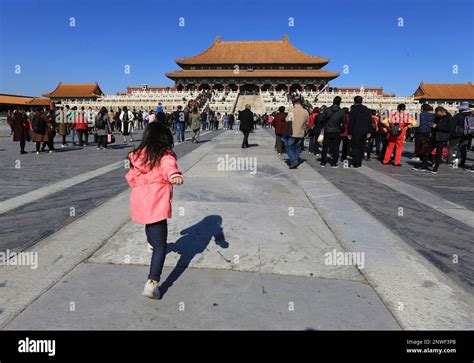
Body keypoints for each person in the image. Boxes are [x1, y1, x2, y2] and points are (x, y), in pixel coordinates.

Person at [125, 122, 183, 299]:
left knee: (150, 227)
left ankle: (150, 242)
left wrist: (141, 186)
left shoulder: (138, 156)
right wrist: (174, 176)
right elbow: (169, 168)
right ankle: (152, 282)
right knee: (161, 246)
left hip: (140, 200)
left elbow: (131, 178)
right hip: (156, 201)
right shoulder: (165, 155)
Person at [283, 96, 309, 169]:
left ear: (295, 103)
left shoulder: (292, 111)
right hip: (301, 133)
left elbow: (287, 120)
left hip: (293, 132)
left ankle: (293, 160)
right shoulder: (306, 112)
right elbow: (307, 123)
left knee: (288, 146)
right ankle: (296, 160)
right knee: (297, 148)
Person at [348, 96, 373, 168]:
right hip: (364, 131)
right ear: (361, 101)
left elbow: (351, 122)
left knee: (355, 147)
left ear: (354, 101)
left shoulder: (353, 110)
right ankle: (359, 162)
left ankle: (355, 162)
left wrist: (349, 132)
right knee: (362, 147)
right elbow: (370, 121)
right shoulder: (367, 110)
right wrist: (369, 131)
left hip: (355, 131)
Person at [320, 96, 344, 168]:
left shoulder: (327, 109)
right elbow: (343, 122)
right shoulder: (341, 111)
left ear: (333, 101)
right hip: (336, 131)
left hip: (327, 130)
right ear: (340, 102)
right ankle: (333, 163)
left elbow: (322, 119)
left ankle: (323, 162)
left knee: (325, 147)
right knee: (336, 148)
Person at [450, 101, 473, 170]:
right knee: (463, 148)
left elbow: (453, 125)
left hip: (458, 133)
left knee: (451, 147)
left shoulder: (458, 116)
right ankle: (462, 162)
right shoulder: (471, 115)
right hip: (468, 133)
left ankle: (452, 161)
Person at [413, 104, 435, 171]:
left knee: (419, 148)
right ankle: (430, 161)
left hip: (419, 133)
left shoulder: (418, 115)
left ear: (422, 109)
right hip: (429, 134)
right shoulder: (433, 116)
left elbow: (414, 124)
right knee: (427, 148)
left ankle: (423, 163)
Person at [430, 107, 452, 174]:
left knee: (439, 153)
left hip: (442, 137)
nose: (437, 115)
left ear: (442, 112)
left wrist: (437, 126)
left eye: (438, 114)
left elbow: (449, 129)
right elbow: (434, 124)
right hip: (434, 136)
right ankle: (428, 163)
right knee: (428, 150)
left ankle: (436, 166)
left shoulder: (449, 118)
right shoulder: (437, 117)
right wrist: (432, 126)